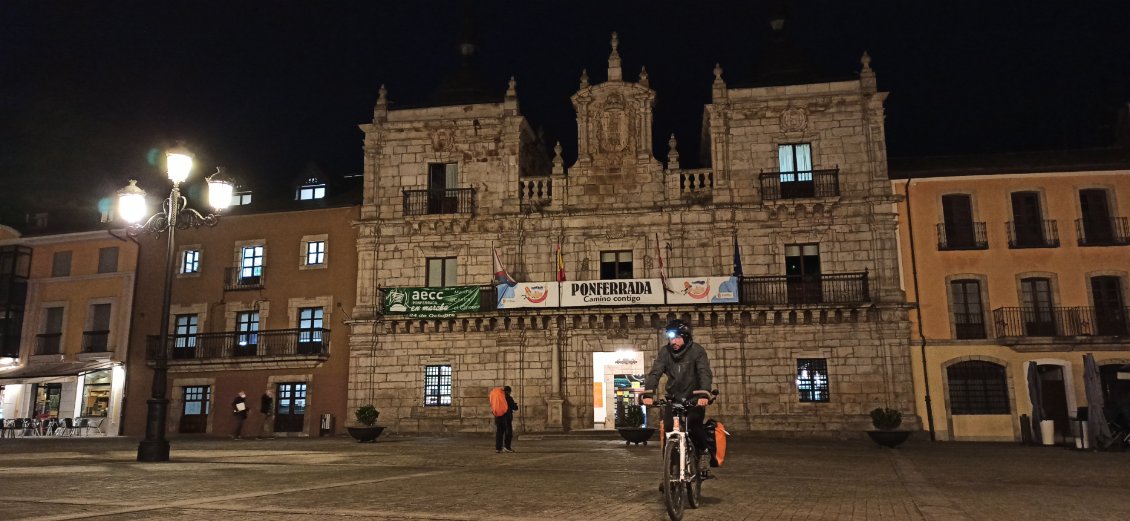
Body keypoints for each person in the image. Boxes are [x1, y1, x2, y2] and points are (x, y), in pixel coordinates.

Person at [641, 319, 714, 475]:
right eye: (671, 338)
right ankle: (670, 473)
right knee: (668, 432)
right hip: (673, 398)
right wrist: (648, 393)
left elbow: (704, 373)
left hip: (693, 398)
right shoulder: (665, 352)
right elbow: (655, 372)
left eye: (677, 338)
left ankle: (703, 452)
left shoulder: (697, 351)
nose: (673, 342)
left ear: (686, 337)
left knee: (694, 425)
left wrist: (703, 393)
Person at [490, 385, 519, 453]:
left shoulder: (497, 398)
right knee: (508, 432)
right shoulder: (508, 397)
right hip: (506, 418)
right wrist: (515, 405)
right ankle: (507, 447)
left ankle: (498, 448)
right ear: (509, 391)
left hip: (498, 417)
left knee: (499, 432)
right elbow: (515, 407)